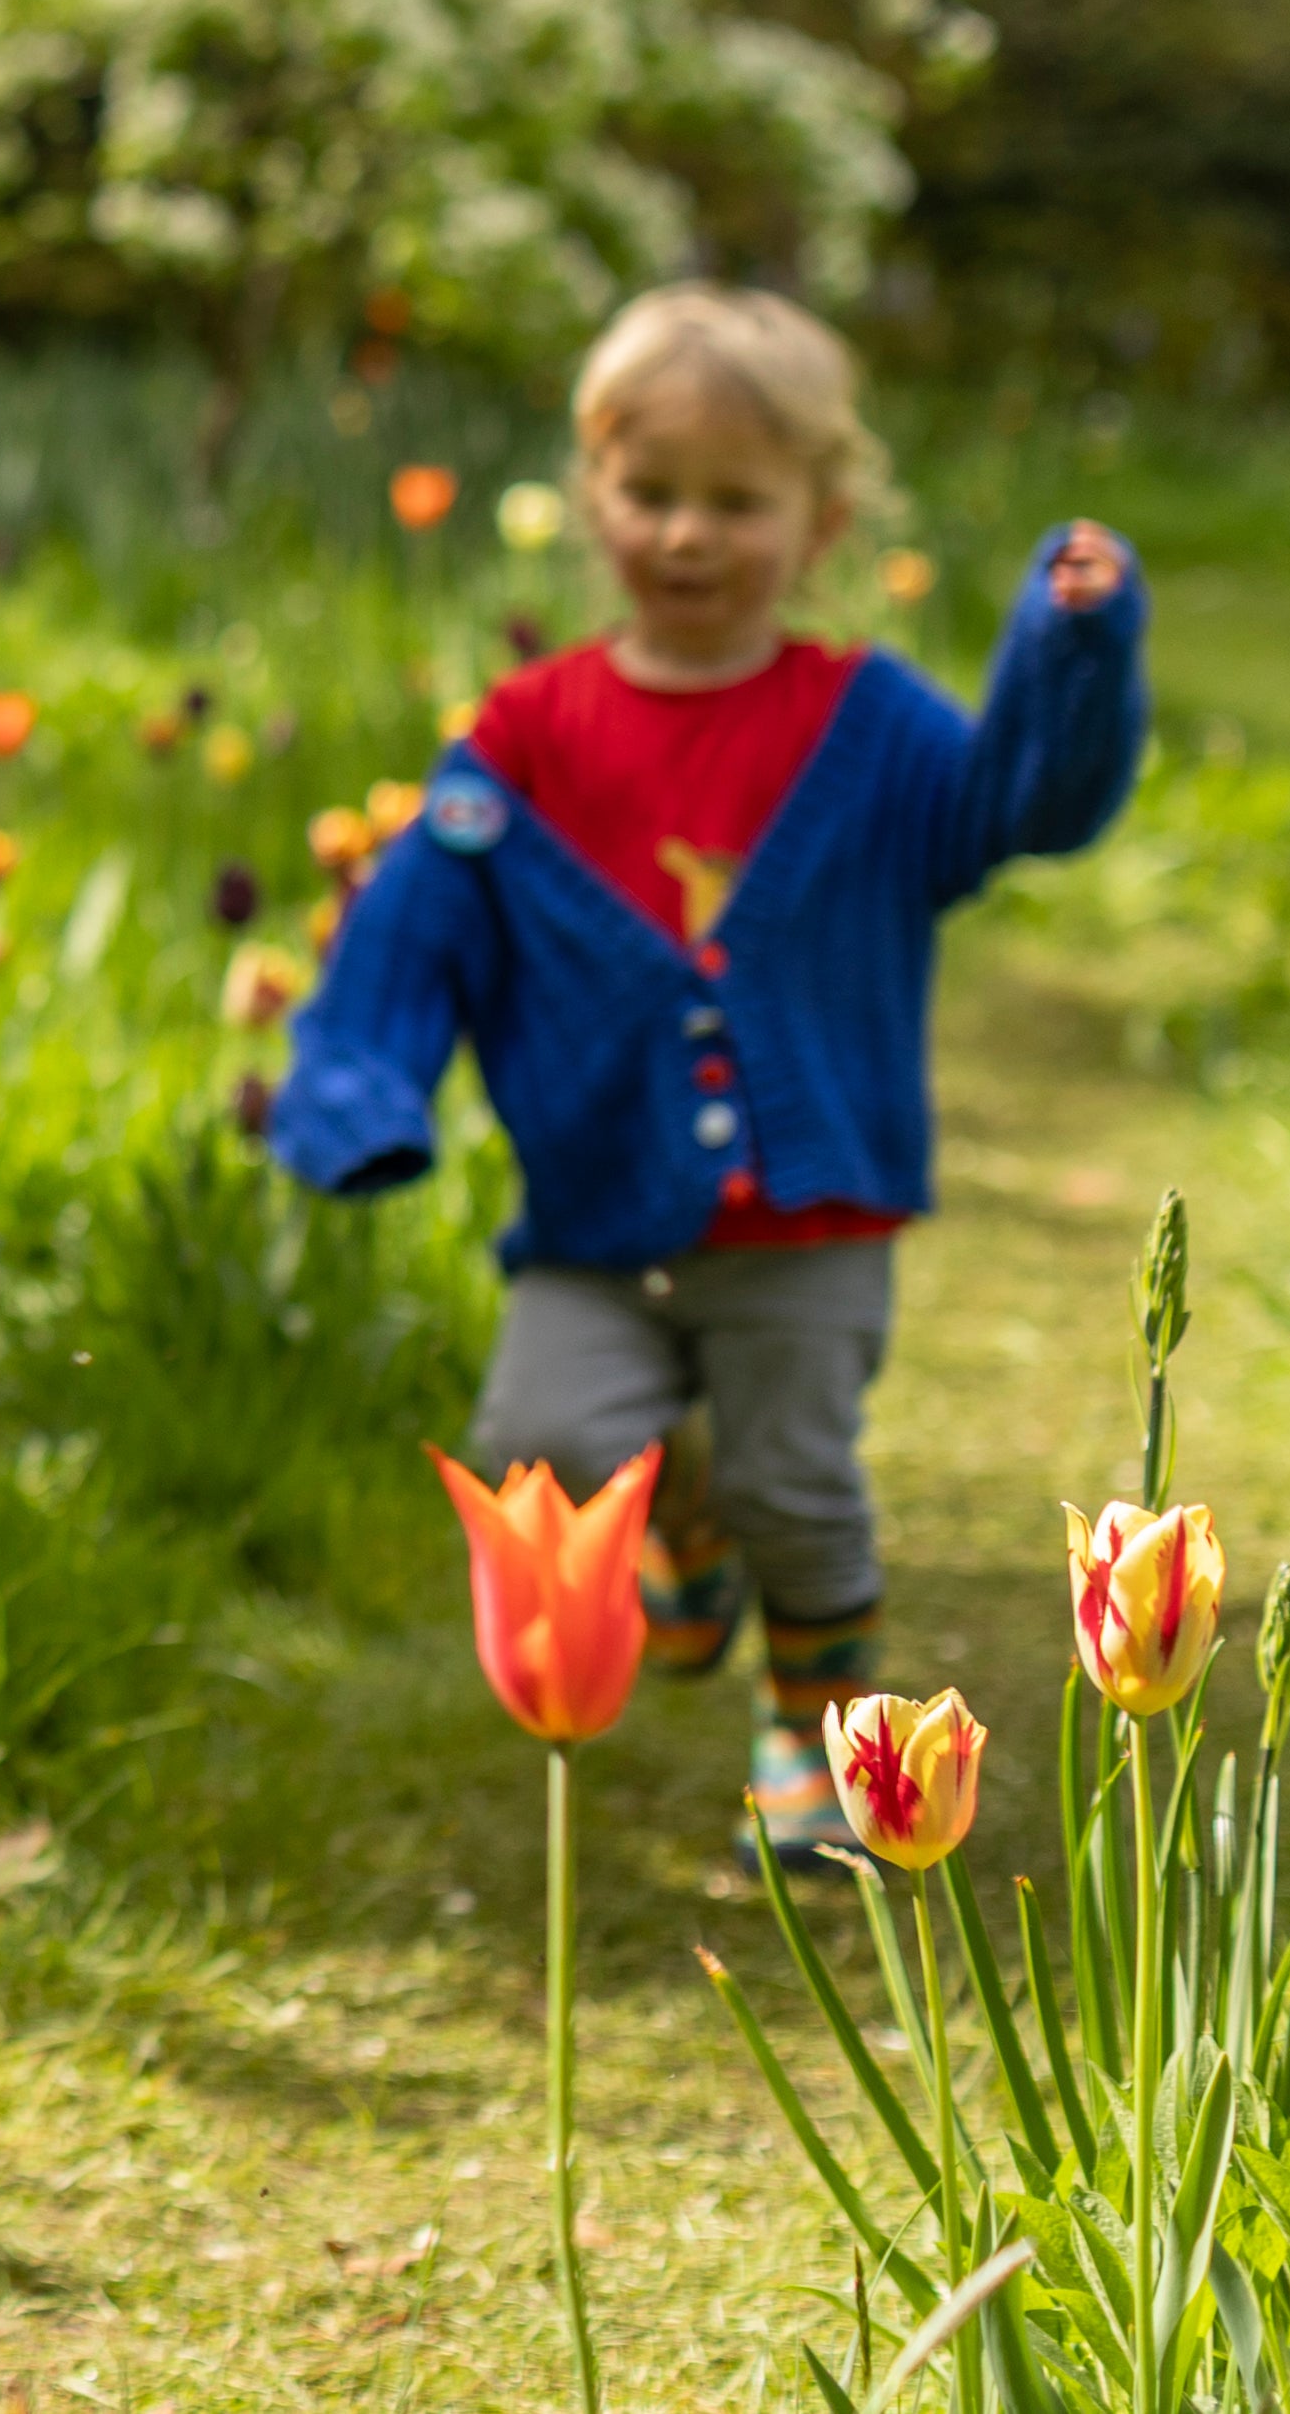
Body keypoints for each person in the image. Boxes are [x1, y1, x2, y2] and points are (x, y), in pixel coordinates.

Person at [271, 285, 1143, 1857]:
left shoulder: (868, 728)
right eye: (649, 492)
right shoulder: (530, 736)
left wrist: (1073, 646)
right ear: (592, 495)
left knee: (801, 1484)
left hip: (811, 1219)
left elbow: (1026, 798)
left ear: (821, 519)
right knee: (547, 1443)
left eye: (736, 501)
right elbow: (411, 935)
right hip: (596, 1211)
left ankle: (815, 1741)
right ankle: (681, 1533)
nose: (685, 534)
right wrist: (356, 1094)